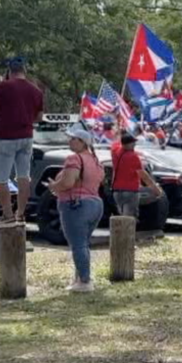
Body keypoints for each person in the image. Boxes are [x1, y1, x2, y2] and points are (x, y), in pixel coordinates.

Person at [48, 122, 105, 291]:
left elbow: (68, 182)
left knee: (78, 245)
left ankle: (85, 281)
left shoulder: (74, 158)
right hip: (95, 203)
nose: (69, 141)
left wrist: (54, 186)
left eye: (73, 139)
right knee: (83, 243)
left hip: (76, 205)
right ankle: (81, 277)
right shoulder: (95, 160)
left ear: (81, 142)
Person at [0, 57, 44, 226]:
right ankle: (21, 213)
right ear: (24, 70)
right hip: (27, 137)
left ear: (9, 71)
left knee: (2, 178)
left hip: (6, 137)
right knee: (23, 176)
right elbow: (39, 117)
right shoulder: (36, 91)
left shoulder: (4, 86)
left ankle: (7, 214)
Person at [110, 133, 162, 219]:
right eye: (133, 143)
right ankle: (127, 232)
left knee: (121, 217)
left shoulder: (115, 152)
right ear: (128, 144)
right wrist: (156, 189)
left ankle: (122, 232)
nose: (134, 144)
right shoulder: (133, 157)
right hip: (130, 191)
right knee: (129, 218)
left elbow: (116, 143)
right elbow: (143, 175)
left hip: (116, 191)